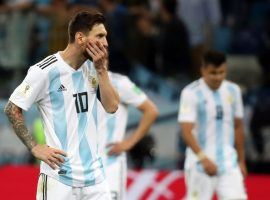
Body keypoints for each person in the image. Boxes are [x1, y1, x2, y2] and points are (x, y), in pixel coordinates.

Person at [4, 10, 119, 200]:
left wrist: (102, 70)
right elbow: (11, 108)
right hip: (60, 179)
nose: (105, 43)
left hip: (96, 180)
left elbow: (112, 107)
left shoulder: (95, 67)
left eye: (105, 37)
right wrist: (34, 147)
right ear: (80, 38)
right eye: (100, 36)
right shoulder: (44, 71)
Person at [178, 50, 247, 200]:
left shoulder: (233, 91)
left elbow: (238, 126)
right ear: (203, 70)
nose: (218, 77)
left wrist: (241, 160)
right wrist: (203, 158)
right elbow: (186, 131)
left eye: (222, 72)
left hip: (228, 163)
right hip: (199, 165)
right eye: (213, 73)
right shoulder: (190, 93)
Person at [97, 72, 158, 200]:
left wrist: (130, 142)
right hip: (81, 166)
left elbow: (151, 110)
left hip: (110, 162)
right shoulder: (75, 80)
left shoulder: (119, 82)